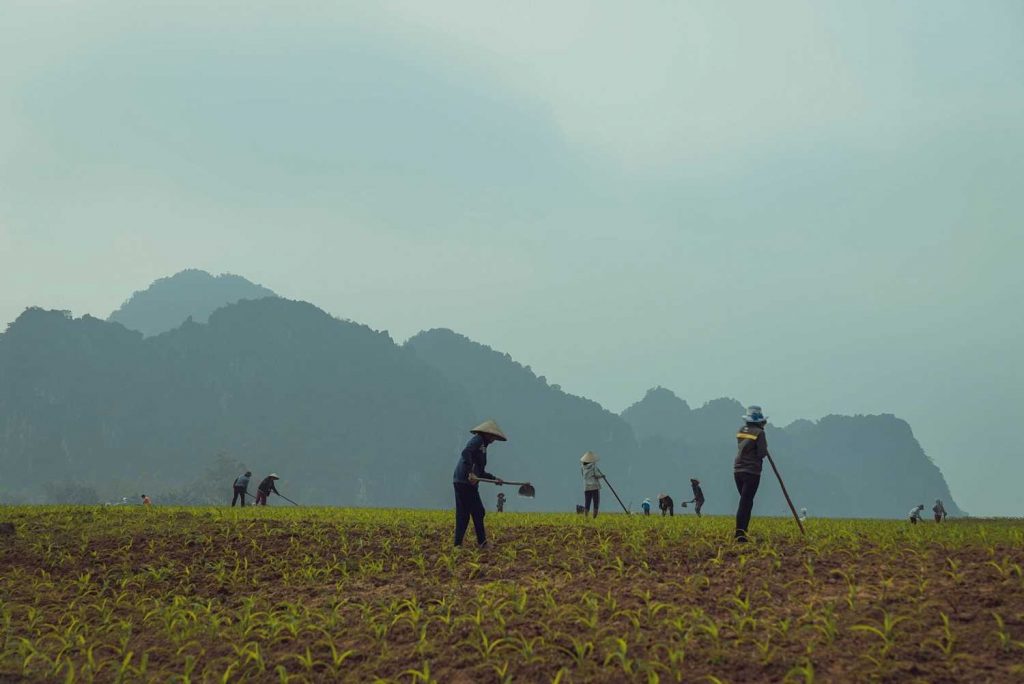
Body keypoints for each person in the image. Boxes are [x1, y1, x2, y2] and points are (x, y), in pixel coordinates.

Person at [452, 420, 506, 548]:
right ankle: (482, 543)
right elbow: (466, 453)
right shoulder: (478, 440)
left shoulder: (483, 447)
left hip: (461, 481)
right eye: (493, 436)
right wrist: (470, 472)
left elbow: (480, 472)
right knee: (478, 511)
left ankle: (457, 545)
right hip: (465, 481)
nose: (494, 439)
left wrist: (494, 479)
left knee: (463, 514)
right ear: (487, 434)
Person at [734, 405, 770, 542]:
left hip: (737, 470)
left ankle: (743, 531)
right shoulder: (760, 433)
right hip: (751, 472)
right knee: (746, 502)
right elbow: (761, 454)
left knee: (746, 502)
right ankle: (740, 534)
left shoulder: (741, 430)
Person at [580, 451, 604, 518]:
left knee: (587, 502)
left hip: (586, 487)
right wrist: (602, 476)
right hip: (594, 486)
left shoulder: (582, 467)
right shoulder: (594, 466)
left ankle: (586, 516)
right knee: (596, 501)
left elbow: (583, 475)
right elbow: (596, 475)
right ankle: (594, 517)